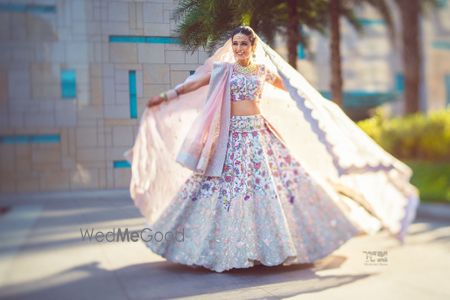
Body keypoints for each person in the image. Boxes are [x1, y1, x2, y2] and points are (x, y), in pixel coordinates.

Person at [125, 26, 419, 273]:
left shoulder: (263, 71)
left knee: (270, 188)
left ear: (253, 46)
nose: (239, 48)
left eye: (243, 44)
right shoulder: (222, 70)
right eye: (235, 44)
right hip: (229, 138)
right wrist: (166, 96)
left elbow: (292, 90)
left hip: (259, 136)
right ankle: (219, 249)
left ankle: (271, 247)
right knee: (219, 191)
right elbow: (194, 84)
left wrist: (315, 105)